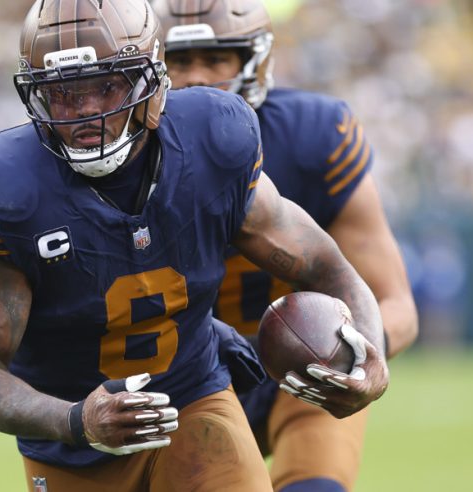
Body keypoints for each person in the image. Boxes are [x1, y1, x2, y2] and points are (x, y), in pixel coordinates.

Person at [0, 0, 389, 490]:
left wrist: (371, 353)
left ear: (152, 85)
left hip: (193, 401)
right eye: (64, 94)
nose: (87, 110)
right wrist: (75, 420)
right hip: (72, 447)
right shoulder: (6, 189)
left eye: (106, 86)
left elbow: (330, 269)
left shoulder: (212, 140)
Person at [151, 0, 419, 490]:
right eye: (179, 61)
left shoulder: (312, 138)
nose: (196, 78)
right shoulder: (116, 161)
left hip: (299, 372)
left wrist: (356, 358)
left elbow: (393, 302)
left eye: (216, 58)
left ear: (254, 61)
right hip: (179, 383)